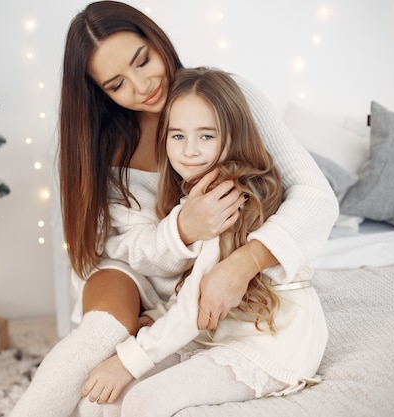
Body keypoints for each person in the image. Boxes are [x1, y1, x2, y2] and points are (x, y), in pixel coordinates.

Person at [9, 2, 338, 417]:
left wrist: (243, 263)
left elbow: (315, 195)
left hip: (204, 283)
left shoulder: (223, 98)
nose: (142, 84)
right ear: (100, 93)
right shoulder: (99, 144)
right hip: (136, 271)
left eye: (143, 60)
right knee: (98, 339)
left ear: (156, 39)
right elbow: (119, 247)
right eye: (117, 84)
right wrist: (183, 228)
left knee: (111, 396)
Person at [80, 67, 328, 416]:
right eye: (177, 136)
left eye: (206, 136)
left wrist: (128, 361)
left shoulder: (228, 200)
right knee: (105, 401)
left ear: (233, 136)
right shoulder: (199, 197)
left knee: (142, 400)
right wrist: (156, 317)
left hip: (272, 341)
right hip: (224, 330)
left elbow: (195, 305)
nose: (190, 151)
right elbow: (196, 283)